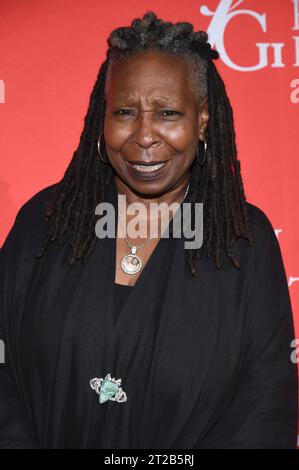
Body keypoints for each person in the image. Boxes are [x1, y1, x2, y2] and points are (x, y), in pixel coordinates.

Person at [0, 11, 297, 449]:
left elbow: (266, 407)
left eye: (168, 113)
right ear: (103, 117)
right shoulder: (44, 222)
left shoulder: (242, 240)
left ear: (202, 120)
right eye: (124, 111)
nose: (143, 135)